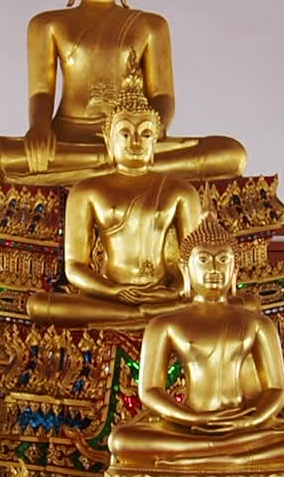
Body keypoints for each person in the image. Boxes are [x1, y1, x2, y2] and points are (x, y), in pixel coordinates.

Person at [0, 0, 245, 186]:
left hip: (134, 141)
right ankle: (113, 169)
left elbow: (163, 96)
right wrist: (38, 128)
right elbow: (40, 92)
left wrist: (150, 134)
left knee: (230, 154)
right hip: (68, 143)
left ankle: (101, 170)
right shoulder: (47, 24)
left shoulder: (151, 26)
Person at [107, 215, 284, 470]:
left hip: (246, 425)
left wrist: (249, 422)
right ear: (185, 269)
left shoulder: (257, 323)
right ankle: (235, 458)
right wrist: (192, 418)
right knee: (121, 440)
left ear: (234, 270)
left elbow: (276, 391)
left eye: (223, 260)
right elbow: (150, 391)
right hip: (189, 428)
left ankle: (213, 459)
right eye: (204, 261)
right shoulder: (165, 325)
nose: (214, 270)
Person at [26, 68, 201, 326]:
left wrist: (172, 291)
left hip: (164, 296)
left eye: (145, 134)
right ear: (108, 140)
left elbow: (190, 263)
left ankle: (142, 316)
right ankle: (138, 317)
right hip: (106, 298)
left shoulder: (180, 192)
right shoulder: (86, 191)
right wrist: (114, 292)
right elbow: (74, 267)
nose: (135, 142)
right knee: (40, 306)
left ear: (156, 142)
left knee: (221, 304)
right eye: (125, 133)